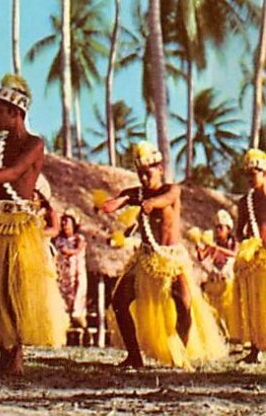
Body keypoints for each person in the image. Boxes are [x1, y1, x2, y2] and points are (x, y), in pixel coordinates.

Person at [0, 74, 68, 374]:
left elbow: (14, 173)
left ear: (16, 113)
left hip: (20, 225)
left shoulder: (35, 144)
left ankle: (16, 352)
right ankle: (4, 352)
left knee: (15, 287)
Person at [102, 141, 226, 370]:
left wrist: (149, 202)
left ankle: (180, 352)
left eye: (147, 172)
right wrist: (114, 203)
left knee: (184, 303)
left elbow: (163, 201)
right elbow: (120, 199)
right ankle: (134, 357)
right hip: (146, 258)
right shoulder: (137, 193)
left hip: (171, 259)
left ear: (160, 169)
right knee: (119, 300)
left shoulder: (172, 189)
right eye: (139, 173)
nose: (143, 177)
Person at [233, 148, 266, 364]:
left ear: (264, 172)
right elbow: (238, 230)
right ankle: (255, 349)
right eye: (247, 175)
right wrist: (248, 240)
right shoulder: (245, 202)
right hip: (254, 258)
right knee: (254, 303)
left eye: (253, 174)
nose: (249, 179)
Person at [195, 210, 240, 342]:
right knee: (214, 306)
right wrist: (199, 248)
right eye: (217, 227)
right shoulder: (213, 242)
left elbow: (234, 254)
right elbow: (202, 257)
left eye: (221, 227)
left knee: (229, 307)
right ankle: (219, 333)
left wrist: (218, 249)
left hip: (228, 276)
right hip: (216, 277)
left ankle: (233, 334)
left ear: (228, 229)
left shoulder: (233, 242)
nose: (218, 230)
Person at [53, 208, 88, 328]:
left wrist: (70, 251)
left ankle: (82, 328)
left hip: (78, 275)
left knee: (78, 301)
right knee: (62, 301)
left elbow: (77, 249)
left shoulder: (80, 239)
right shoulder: (58, 240)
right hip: (64, 276)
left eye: (67, 222)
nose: (64, 225)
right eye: (62, 223)